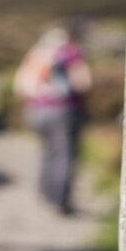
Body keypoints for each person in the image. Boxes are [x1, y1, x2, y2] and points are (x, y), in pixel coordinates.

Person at [14, 21, 92, 215]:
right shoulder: (70, 53)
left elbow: (18, 85)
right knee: (64, 155)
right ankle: (61, 202)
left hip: (36, 111)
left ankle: (45, 193)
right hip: (63, 112)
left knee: (47, 152)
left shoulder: (36, 54)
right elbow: (83, 82)